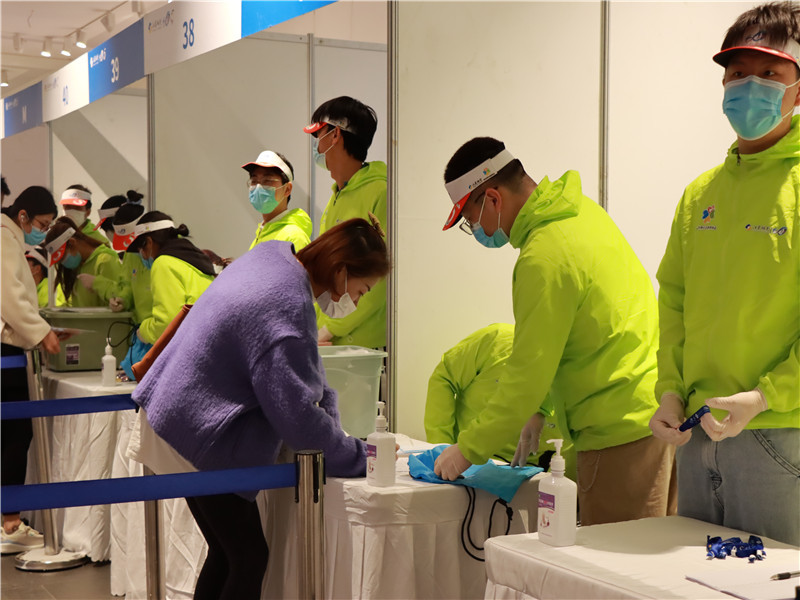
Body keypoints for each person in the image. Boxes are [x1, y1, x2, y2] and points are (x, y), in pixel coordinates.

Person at [129, 216, 390, 600]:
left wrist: (335, 426)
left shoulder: (275, 259)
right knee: (247, 557)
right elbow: (298, 418)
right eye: (361, 291)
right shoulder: (286, 303)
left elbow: (307, 372)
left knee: (229, 553)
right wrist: (359, 455)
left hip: (175, 413)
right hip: (195, 431)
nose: (357, 301)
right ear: (341, 272)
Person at [433, 137, 676, 526]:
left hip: (616, 434)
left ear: (492, 199)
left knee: (613, 561)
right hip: (650, 414)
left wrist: (467, 449)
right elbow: (577, 333)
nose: (475, 229)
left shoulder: (543, 256)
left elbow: (526, 373)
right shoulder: (582, 214)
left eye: (470, 219)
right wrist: (541, 409)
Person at [649, 1, 800, 547]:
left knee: (774, 582)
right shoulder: (700, 194)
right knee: (688, 580)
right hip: (696, 434)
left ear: (798, 89)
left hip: (781, 435)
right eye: (738, 73)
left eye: (770, 73)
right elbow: (674, 302)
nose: (750, 85)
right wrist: (670, 392)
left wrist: (765, 397)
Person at [424, 323, 576, 480]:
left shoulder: (574, 379)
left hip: (530, 473)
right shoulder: (495, 341)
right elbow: (444, 378)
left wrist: (556, 481)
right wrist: (440, 446)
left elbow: (575, 447)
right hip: (461, 463)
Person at [1, 186, 64, 554]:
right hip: (6, 350)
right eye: (41, 224)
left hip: (9, 347)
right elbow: (9, 295)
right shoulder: (5, 236)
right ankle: (10, 522)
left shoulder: (9, 236)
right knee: (15, 434)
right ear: (22, 215)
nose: (42, 231)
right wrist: (41, 333)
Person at [303, 96, 387, 348]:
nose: (316, 145)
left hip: (361, 348)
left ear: (335, 135)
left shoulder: (380, 192)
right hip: (330, 343)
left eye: (318, 135)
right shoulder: (336, 197)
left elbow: (379, 281)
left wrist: (328, 330)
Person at [126, 211, 215, 347]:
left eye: (141, 250)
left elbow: (167, 324)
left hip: (191, 344)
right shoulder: (193, 258)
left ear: (149, 242)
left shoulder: (163, 263)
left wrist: (144, 330)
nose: (143, 256)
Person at [43, 217, 122, 308]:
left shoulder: (105, 261)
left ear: (72, 243)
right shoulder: (78, 267)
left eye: (62, 258)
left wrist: (97, 284)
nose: (63, 263)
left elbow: (119, 298)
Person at [242, 150, 311, 251]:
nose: (258, 187)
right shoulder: (263, 233)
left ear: (287, 189)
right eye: (254, 181)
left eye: (267, 181)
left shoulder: (294, 238)